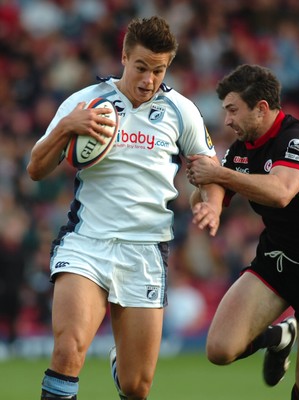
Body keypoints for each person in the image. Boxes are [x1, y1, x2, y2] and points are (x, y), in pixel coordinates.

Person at [27, 16, 224, 400]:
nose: (148, 79)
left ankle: (124, 365)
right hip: (87, 242)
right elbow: (35, 169)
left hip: (145, 251)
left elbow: (210, 171)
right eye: (140, 67)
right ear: (123, 56)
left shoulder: (180, 110)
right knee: (68, 351)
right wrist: (68, 126)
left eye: (158, 70)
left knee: (137, 387)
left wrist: (213, 204)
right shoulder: (86, 101)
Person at [187, 64, 299, 400]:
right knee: (219, 349)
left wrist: (219, 175)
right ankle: (278, 337)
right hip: (278, 260)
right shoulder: (241, 149)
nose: (227, 120)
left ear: (261, 108)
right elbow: (213, 186)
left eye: (233, 110)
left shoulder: (297, 139)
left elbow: (280, 192)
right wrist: (210, 200)